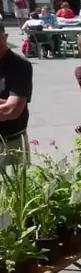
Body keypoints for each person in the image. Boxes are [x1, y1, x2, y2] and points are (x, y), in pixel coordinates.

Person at [0, 22, 32, 167]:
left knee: (16, 187)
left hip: (12, 142)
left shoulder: (19, 65)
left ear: (5, 37)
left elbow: (12, 110)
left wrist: (7, 106)